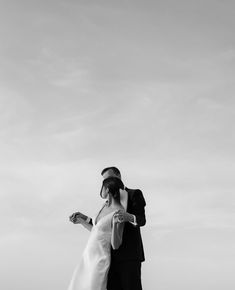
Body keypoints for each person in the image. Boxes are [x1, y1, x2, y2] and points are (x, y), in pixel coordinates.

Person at [70, 166, 146, 290]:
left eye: (109, 178)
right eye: (104, 180)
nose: (107, 183)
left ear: (118, 176)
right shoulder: (105, 204)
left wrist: (128, 217)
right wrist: (85, 219)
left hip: (129, 255)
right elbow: (101, 228)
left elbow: (142, 220)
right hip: (108, 256)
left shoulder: (134, 194)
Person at [68, 177, 125, 290]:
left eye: (102, 187)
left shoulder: (119, 211)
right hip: (88, 256)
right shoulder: (104, 206)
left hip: (100, 258)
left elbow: (116, 244)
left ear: (107, 189)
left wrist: (116, 226)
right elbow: (97, 231)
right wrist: (81, 222)